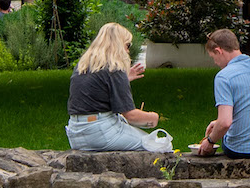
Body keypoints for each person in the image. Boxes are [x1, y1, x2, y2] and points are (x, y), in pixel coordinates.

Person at [65, 22, 174, 153]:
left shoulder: (84, 65)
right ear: (119, 45)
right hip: (100, 132)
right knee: (160, 146)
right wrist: (152, 118)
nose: (128, 50)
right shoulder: (114, 68)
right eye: (128, 45)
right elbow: (130, 115)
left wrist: (124, 80)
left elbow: (95, 90)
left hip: (75, 132)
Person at [195, 27, 250, 157]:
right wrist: (218, 123)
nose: (215, 62)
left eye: (213, 57)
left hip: (240, 149)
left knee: (225, 136)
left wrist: (209, 141)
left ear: (218, 51)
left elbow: (225, 122)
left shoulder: (224, 77)